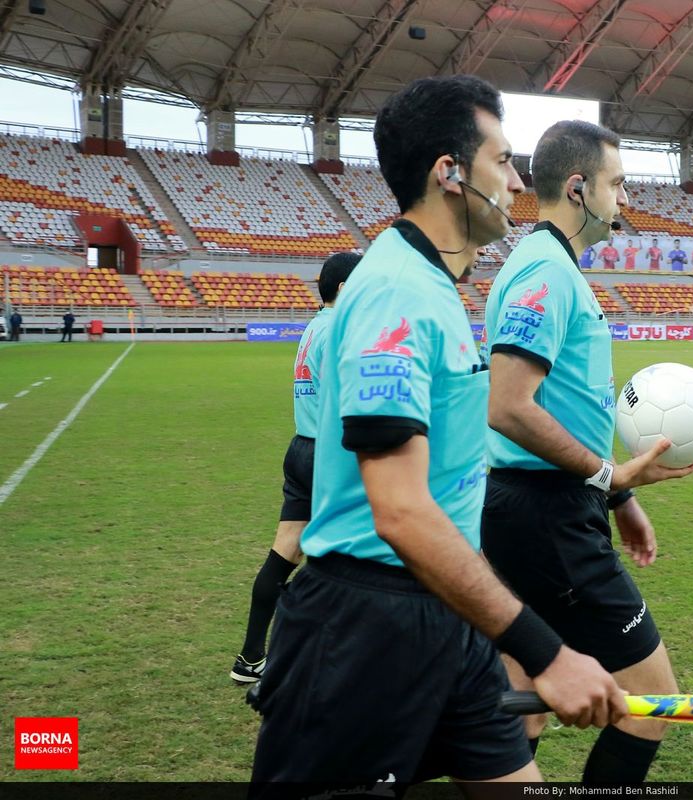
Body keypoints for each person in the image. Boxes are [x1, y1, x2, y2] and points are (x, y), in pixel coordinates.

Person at [249, 76, 627, 789]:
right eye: (503, 162)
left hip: (444, 611)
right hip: (364, 629)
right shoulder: (397, 293)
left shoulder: (433, 286)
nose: (516, 182)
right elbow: (398, 510)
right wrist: (545, 651)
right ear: (449, 174)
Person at [482, 119, 693, 785]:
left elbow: (566, 405)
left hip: (536, 511)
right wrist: (606, 474)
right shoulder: (545, 272)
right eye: (618, 183)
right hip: (548, 521)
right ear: (578, 188)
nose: (624, 198)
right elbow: (509, 405)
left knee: (523, 709)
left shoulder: (552, 267)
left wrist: (619, 496)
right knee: (651, 706)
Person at [231, 253, 361, 685]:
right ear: (344, 289)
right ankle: (323, 658)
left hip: (302, 446)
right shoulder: (342, 330)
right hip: (331, 454)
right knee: (349, 561)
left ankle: (251, 658)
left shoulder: (313, 326)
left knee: (286, 549)